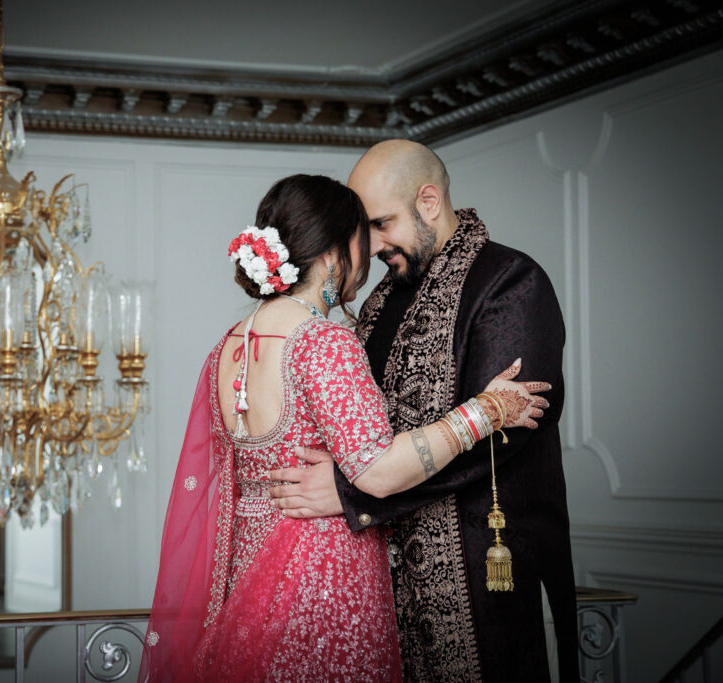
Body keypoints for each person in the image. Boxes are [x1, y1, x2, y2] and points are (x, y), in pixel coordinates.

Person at [140, 173, 551, 681]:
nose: (373, 250)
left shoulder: (228, 346)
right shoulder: (323, 343)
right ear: (335, 253)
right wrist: (485, 411)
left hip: (245, 577)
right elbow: (376, 471)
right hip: (319, 577)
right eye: (364, 237)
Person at [268, 141, 579, 682]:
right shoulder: (381, 300)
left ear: (429, 202)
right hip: (384, 570)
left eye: (383, 224)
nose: (374, 245)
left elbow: (510, 427)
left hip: (482, 564)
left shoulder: (510, 282)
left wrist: (353, 490)